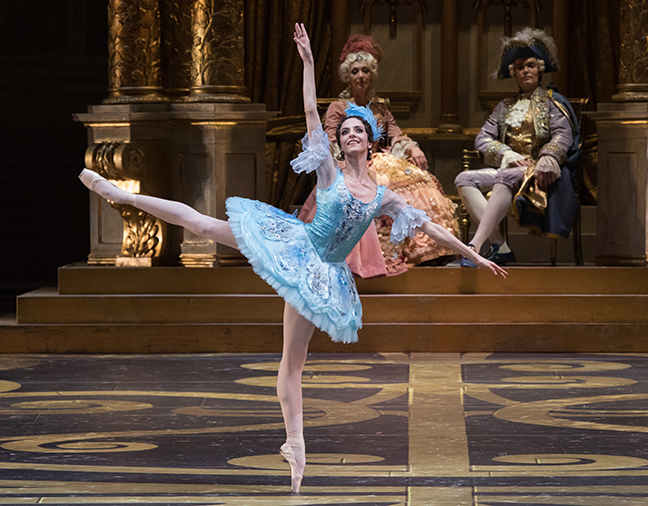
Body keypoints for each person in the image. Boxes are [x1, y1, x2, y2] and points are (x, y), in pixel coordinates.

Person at [79, 23, 507, 493]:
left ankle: (294, 445)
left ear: (370, 138)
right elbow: (308, 110)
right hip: (294, 245)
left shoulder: (383, 194)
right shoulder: (328, 169)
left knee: (293, 363)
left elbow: (431, 228)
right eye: (343, 131)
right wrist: (306, 61)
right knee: (203, 225)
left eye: (356, 131)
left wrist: (476, 255)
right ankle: (117, 192)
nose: (349, 136)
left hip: (324, 274)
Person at [299, 34, 459, 278]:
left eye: (365, 70)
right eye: (355, 71)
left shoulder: (380, 107)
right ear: (347, 77)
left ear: (371, 74)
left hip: (382, 160)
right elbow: (330, 139)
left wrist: (412, 147)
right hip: (351, 163)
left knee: (419, 181)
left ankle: (426, 250)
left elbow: (396, 135)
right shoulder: (338, 108)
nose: (360, 76)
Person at [455, 28, 578, 267]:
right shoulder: (504, 106)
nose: (525, 71)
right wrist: (507, 154)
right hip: (510, 169)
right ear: (514, 73)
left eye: (530, 65)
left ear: (540, 69)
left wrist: (547, 157)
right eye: (520, 67)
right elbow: (482, 139)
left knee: (503, 178)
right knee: (463, 179)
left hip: (539, 170)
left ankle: (475, 246)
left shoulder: (553, 102)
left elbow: (563, 135)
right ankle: (499, 245)